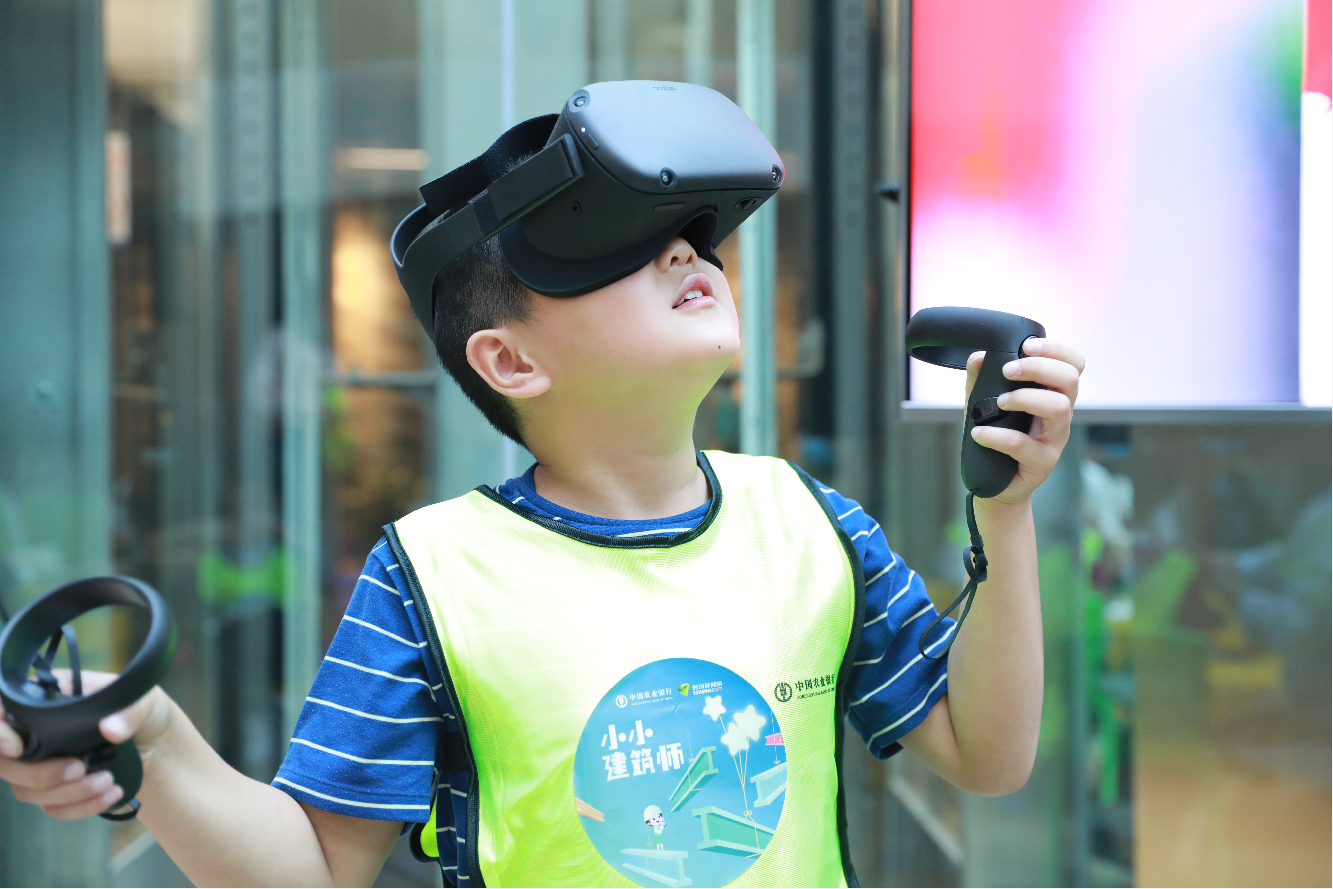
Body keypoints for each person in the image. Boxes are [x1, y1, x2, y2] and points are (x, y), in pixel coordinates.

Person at [0, 85, 1084, 887]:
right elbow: (315, 870)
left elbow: (984, 752)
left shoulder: (809, 523)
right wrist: (157, 739)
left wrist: (1005, 511)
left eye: (687, 236)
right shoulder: (430, 573)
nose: (684, 254)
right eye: (609, 247)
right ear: (510, 361)